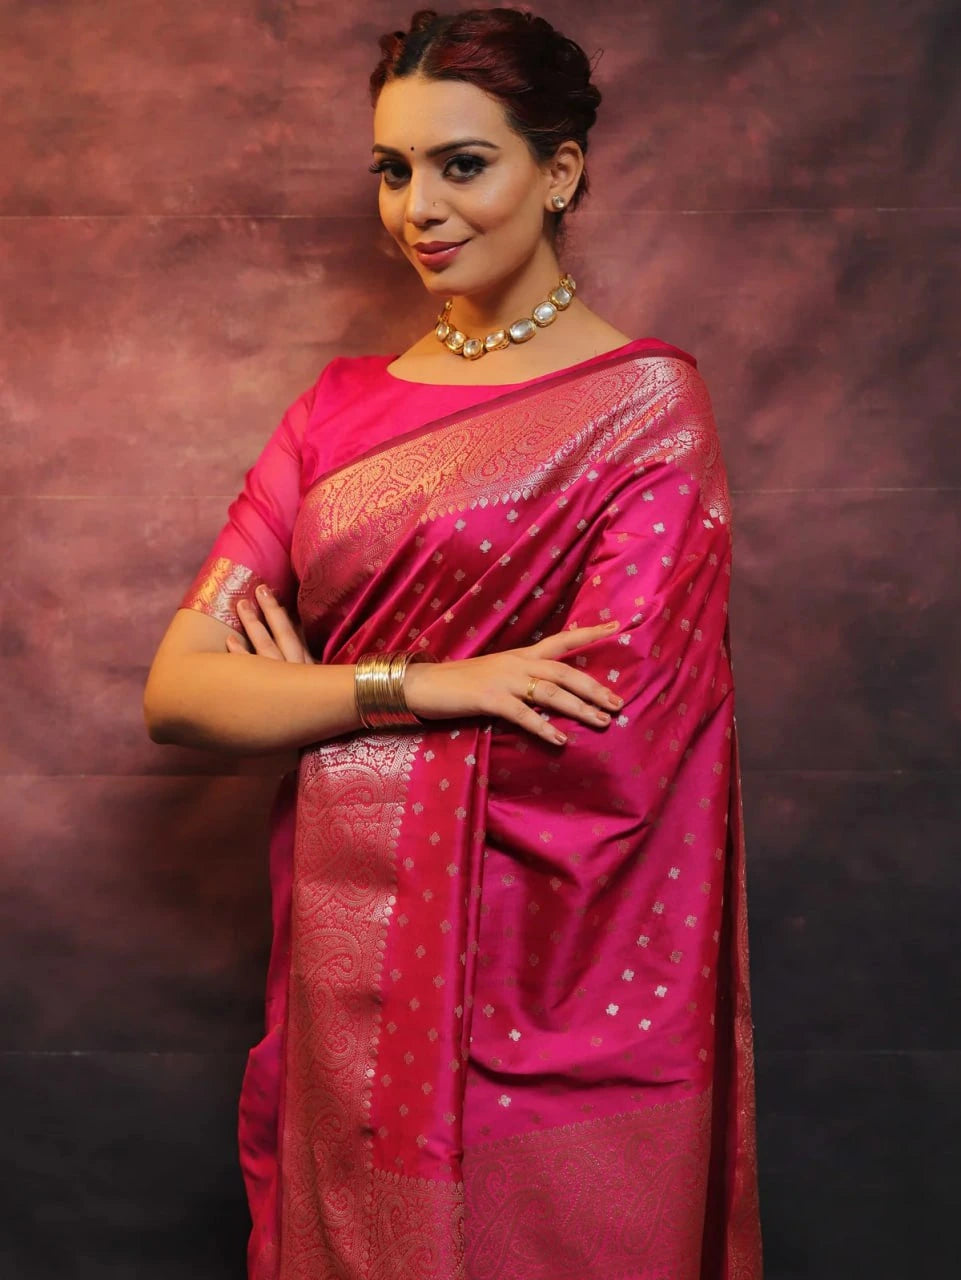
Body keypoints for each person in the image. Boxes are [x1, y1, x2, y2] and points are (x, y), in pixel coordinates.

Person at [144, 8, 763, 1278]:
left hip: (564, 1004)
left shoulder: (647, 408)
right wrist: (428, 684)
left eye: (460, 164)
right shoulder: (334, 412)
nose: (416, 206)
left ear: (561, 172)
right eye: (392, 168)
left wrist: (310, 702)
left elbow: (609, 737)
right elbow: (182, 691)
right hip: (350, 996)